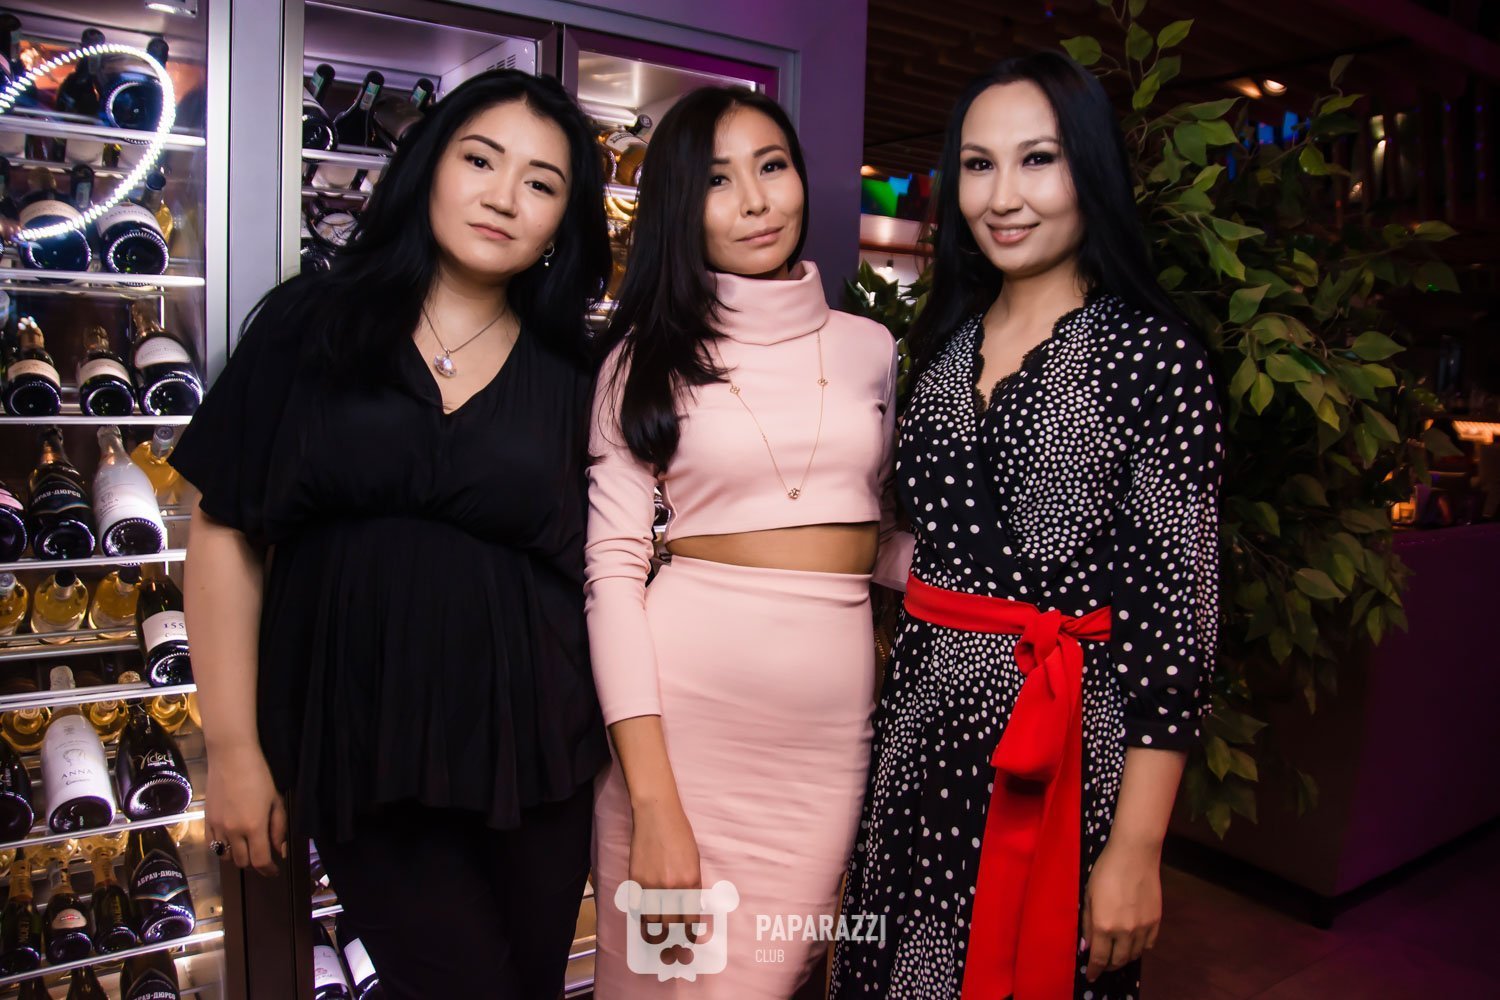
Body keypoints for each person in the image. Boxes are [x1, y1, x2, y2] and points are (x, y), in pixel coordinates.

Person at [170, 70, 612, 999]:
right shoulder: (312, 326)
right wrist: (235, 750)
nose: (504, 196)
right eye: (480, 161)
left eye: (541, 183)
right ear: (429, 167)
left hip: (542, 752)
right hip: (360, 740)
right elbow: (224, 534)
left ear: (562, 224)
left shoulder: (581, 371)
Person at [831, 51, 1223, 999]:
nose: (1002, 196)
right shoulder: (943, 344)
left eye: (1037, 159)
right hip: (917, 744)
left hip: (1061, 761)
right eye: (978, 165)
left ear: (1090, 170)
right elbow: (923, 548)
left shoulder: (1155, 357)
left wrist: (1137, 848)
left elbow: (1179, 622)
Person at [585, 85, 913, 997]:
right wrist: (654, 801)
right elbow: (612, 574)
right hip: (682, 736)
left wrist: (993, 578)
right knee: (659, 989)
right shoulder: (640, 359)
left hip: (824, 747)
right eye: (718, 181)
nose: (756, 201)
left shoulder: (871, 348)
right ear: (679, 208)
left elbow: (875, 532)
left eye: (772, 167)